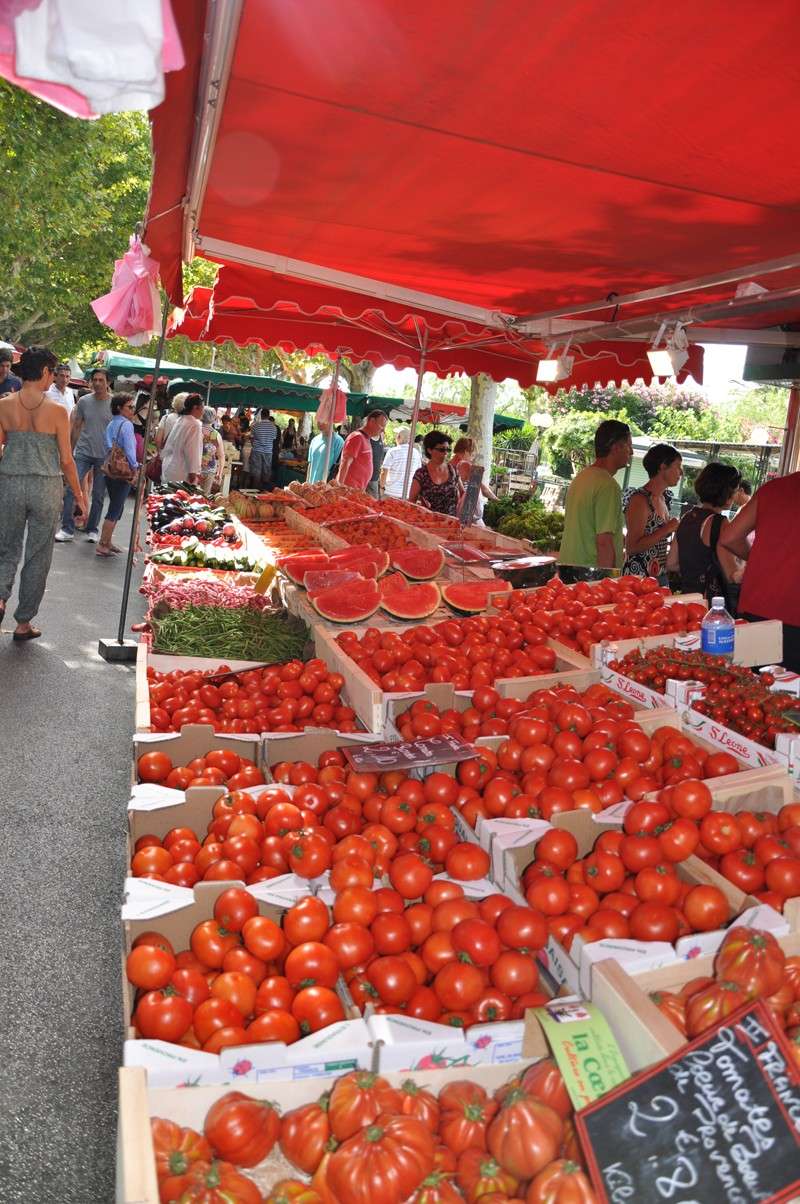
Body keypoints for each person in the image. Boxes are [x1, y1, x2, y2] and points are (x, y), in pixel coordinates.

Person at [0, 346, 87, 640]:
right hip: (46, 487)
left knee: (6, 547)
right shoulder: (57, 411)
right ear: (46, 372)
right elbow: (66, 459)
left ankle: (0, 597)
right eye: (53, 372)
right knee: (38, 555)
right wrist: (79, 495)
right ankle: (23, 623)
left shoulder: (4, 405)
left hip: (10, 482)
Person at [721, 473, 800, 671]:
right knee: (788, 697)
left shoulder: (774, 488)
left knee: (750, 691)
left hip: (757, 609)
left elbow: (729, 538)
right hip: (794, 616)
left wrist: (759, 560)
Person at [559, 419, 633, 568]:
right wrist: (606, 581)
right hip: (588, 574)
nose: (631, 452)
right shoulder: (608, 485)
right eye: (629, 446)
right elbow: (604, 542)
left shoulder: (582, 476)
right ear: (617, 447)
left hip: (568, 567)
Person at [670, 462, 743, 607]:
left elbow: (672, 564)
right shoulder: (719, 524)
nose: (735, 496)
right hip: (710, 604)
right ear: (726, 493)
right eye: (735, 490)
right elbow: (732, 574)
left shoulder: (687, 517)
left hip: (684, 599)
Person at [55, 366, 112, 543]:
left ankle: (92, 529)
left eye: (101, 380)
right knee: (72, 489)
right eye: (94, 380)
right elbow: (77, 426)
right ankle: (67, 528)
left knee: (98, 494)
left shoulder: (114, 403)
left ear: (108, 382)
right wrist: (70, 451)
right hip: (83, 452)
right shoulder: (84, 401)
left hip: (104, 455)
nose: (97, 383)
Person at [622, 443, 682, 581]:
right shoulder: (640, 499)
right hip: (637, 578)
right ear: (663, 466)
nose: (681, 472)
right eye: (678, 466)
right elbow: (631, 547)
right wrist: (667, 529)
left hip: (656, 576)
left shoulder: (664, 498)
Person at [95, 393, 138, 558]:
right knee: (115, 508)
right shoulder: (126, 425)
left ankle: (107, 541)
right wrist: (135, 467)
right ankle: (103, 544)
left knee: (116, 506)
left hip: (111, 470)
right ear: (120, 408)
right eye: (130, 407)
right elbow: (129, 449)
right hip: (123, 471)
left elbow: (107, 445)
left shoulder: (112, 423)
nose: (132, 410)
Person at [410, 430, 462, 515]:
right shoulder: (421, 474)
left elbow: (462, 494)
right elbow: (411, 502)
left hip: (451, 523)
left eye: (448, 449)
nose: (445, 453)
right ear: (429, 450)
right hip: (429, 523)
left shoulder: (453, 470)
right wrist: (421, 509)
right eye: (442, 449)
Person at [337, 410, 388, 490]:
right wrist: (339, 487)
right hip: (348, 490)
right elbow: (345, 463)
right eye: (381, 426)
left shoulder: (366, 438)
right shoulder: (357, 437)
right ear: (372, 421)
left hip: (357, 490)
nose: (383, 430)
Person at [161, 393, 204, 485]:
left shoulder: (180, 420)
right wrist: (193, 473)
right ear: (195, 407)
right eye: (202, 408)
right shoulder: (194, 424)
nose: (203, 412)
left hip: (169, 467)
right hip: (181, 472)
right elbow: (192, 450)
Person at [451, 436, 497, 522]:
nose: (472, 459)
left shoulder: (447, 465)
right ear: (466, 452)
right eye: (472, 455)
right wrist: (497, 500)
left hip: (450, 513)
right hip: (465, 515)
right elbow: (484, 489)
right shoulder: (467, 466)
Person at [380, 427, 421, 498]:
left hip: (391, 492)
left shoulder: (392, 451)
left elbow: (384, 471)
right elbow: (418, 474)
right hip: (408, 493)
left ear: (399, 437)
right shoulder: (416, 453)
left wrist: (381, 487)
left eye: (396, 435)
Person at [249, 409, 278, 489]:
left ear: (261, 415)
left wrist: (254, 445)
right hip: (268, 451)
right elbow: (273, 439)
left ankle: (255, 491)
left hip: (257, 451)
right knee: (266, 470)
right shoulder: (273, 427)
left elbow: (251, 438)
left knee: (256, 471)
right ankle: (264, 490)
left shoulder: (255, 425)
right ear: (268, 416)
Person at [200, 407, 225, 494]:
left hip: (194, 469)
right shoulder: (216, 434)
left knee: (190, 497)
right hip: (209, 470)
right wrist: (219, 473)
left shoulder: (195, 430)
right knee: (204, 497)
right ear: (213, 418)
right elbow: (221, 456)